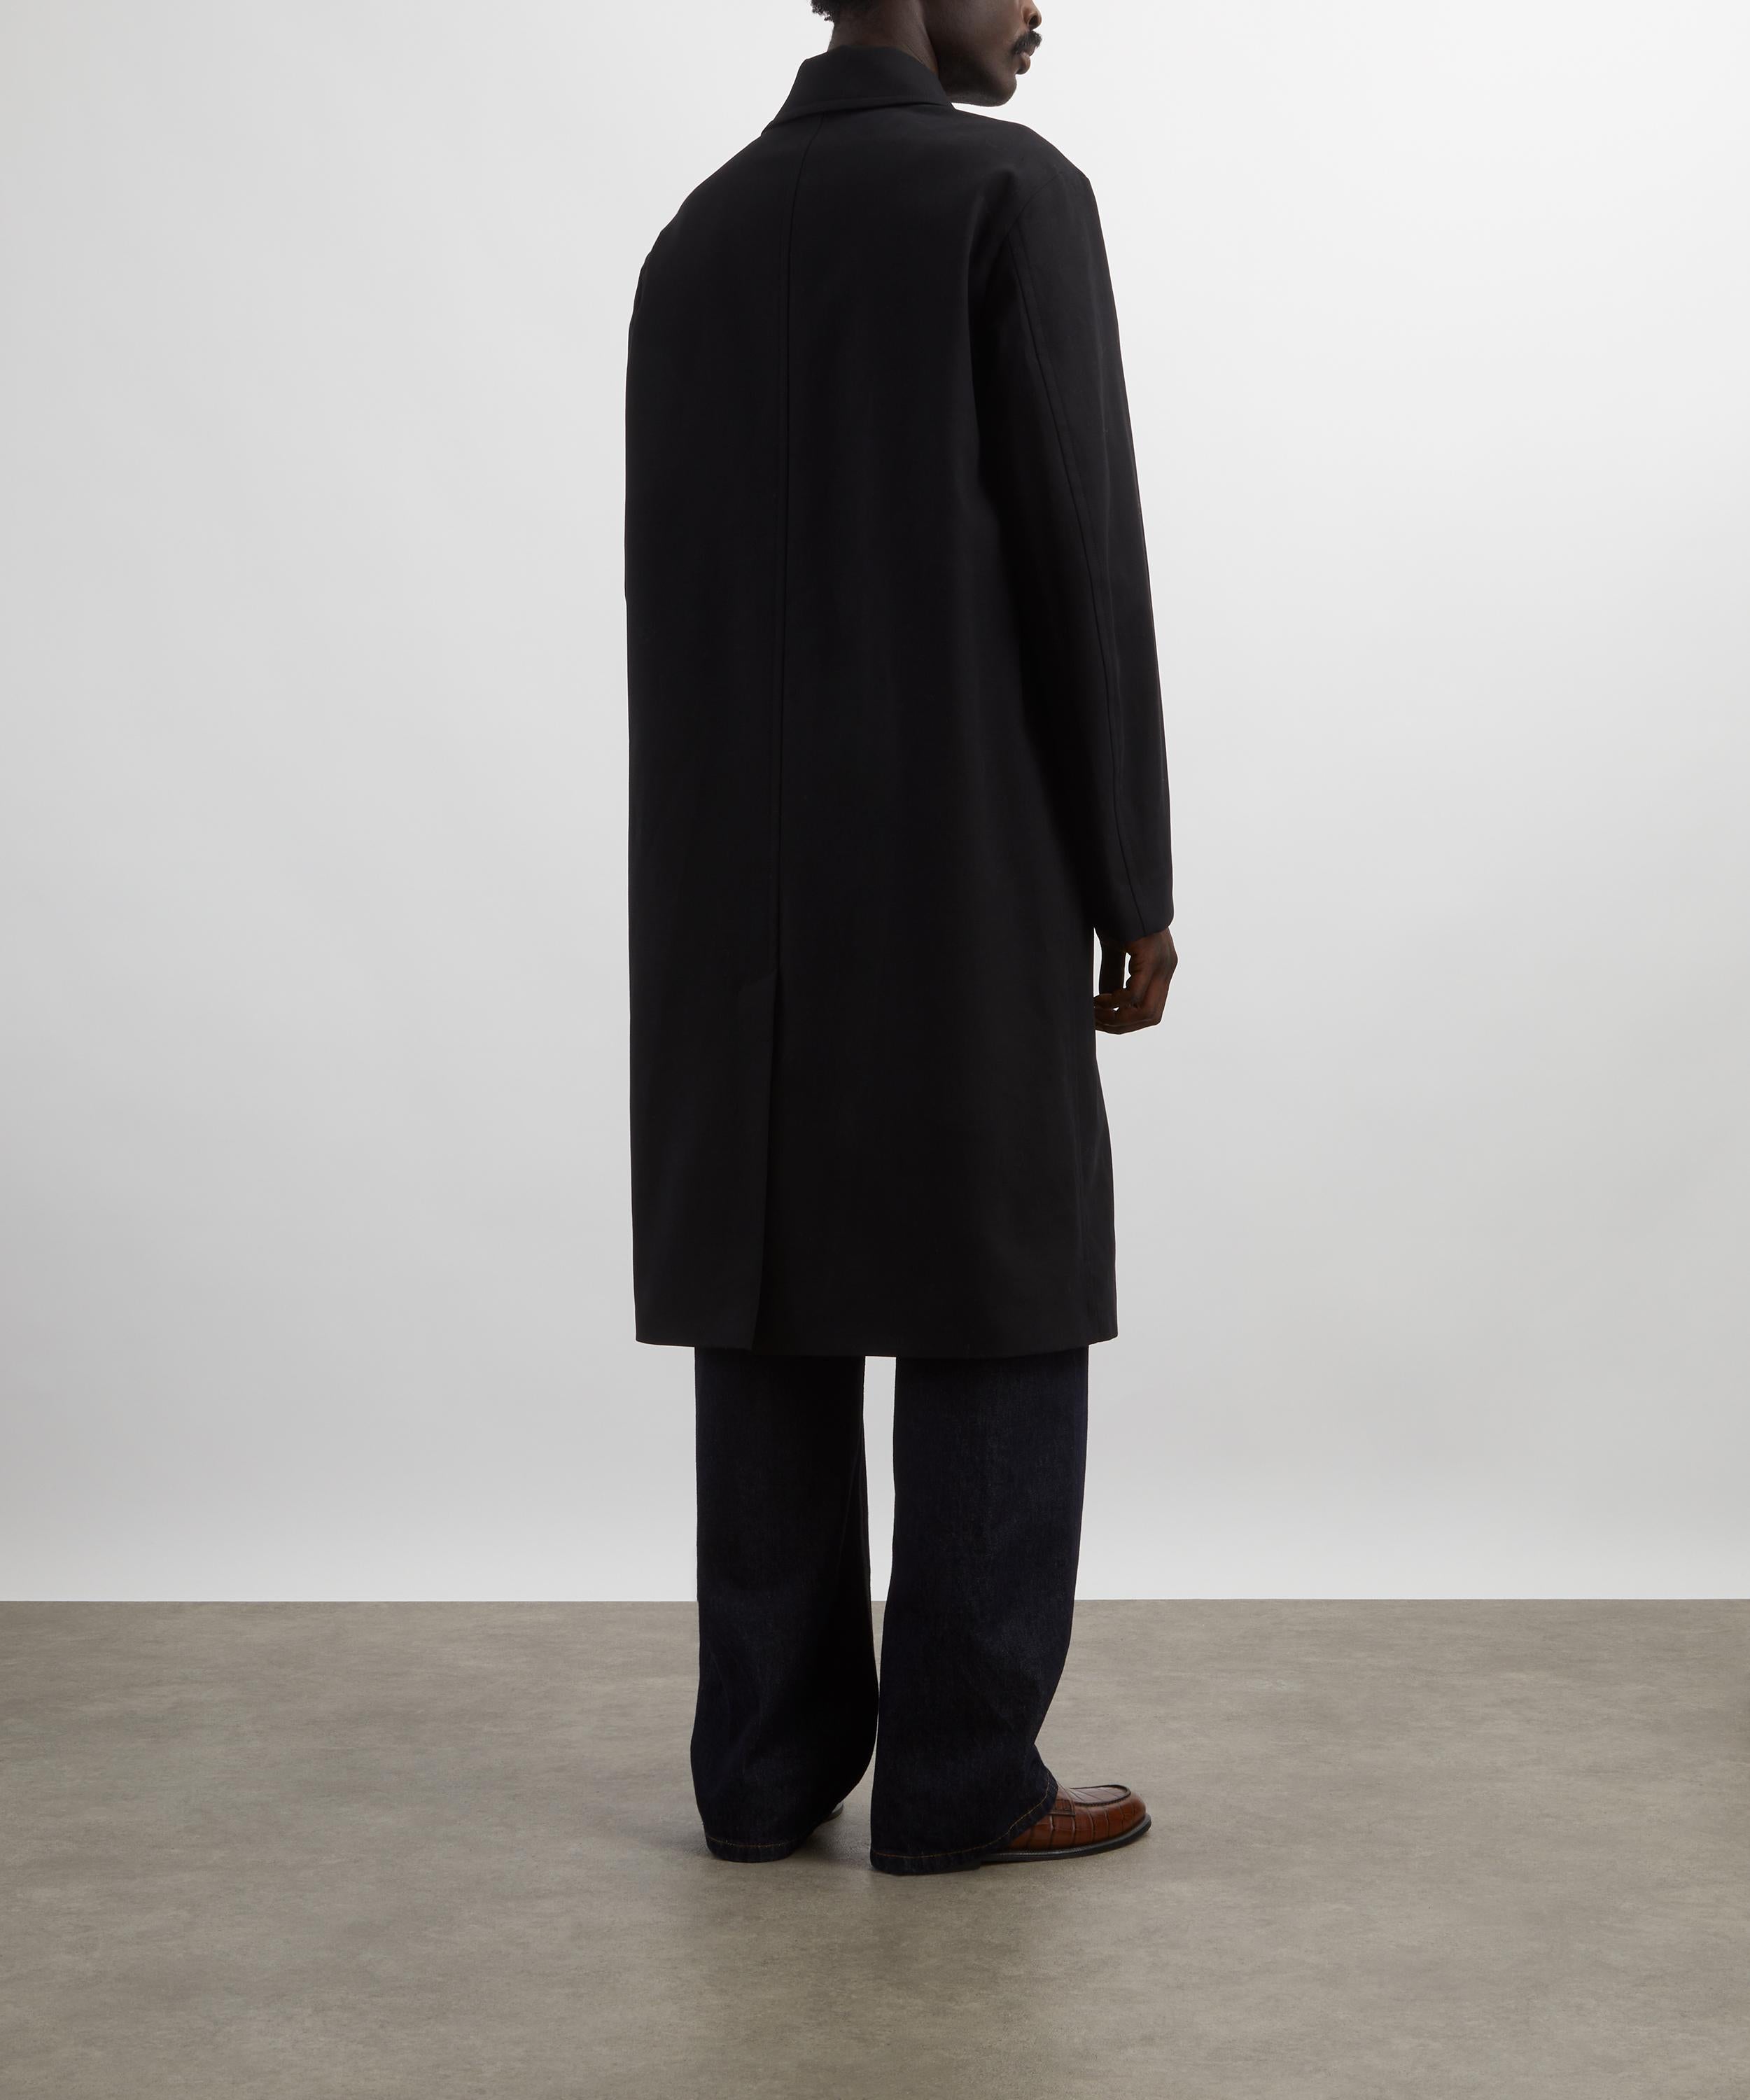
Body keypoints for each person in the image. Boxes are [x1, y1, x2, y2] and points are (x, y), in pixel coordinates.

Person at [623, 0, 1176, 1875]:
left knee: (767, 1293)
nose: (1039, 8)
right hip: (962, 846)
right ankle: (959, 1776)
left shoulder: (698, 234)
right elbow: (1076, 557)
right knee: (998, 1284)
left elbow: (670, 583)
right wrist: (1129, 873)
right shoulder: (1006, 194)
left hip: (726, 881)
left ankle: (761, 1771)